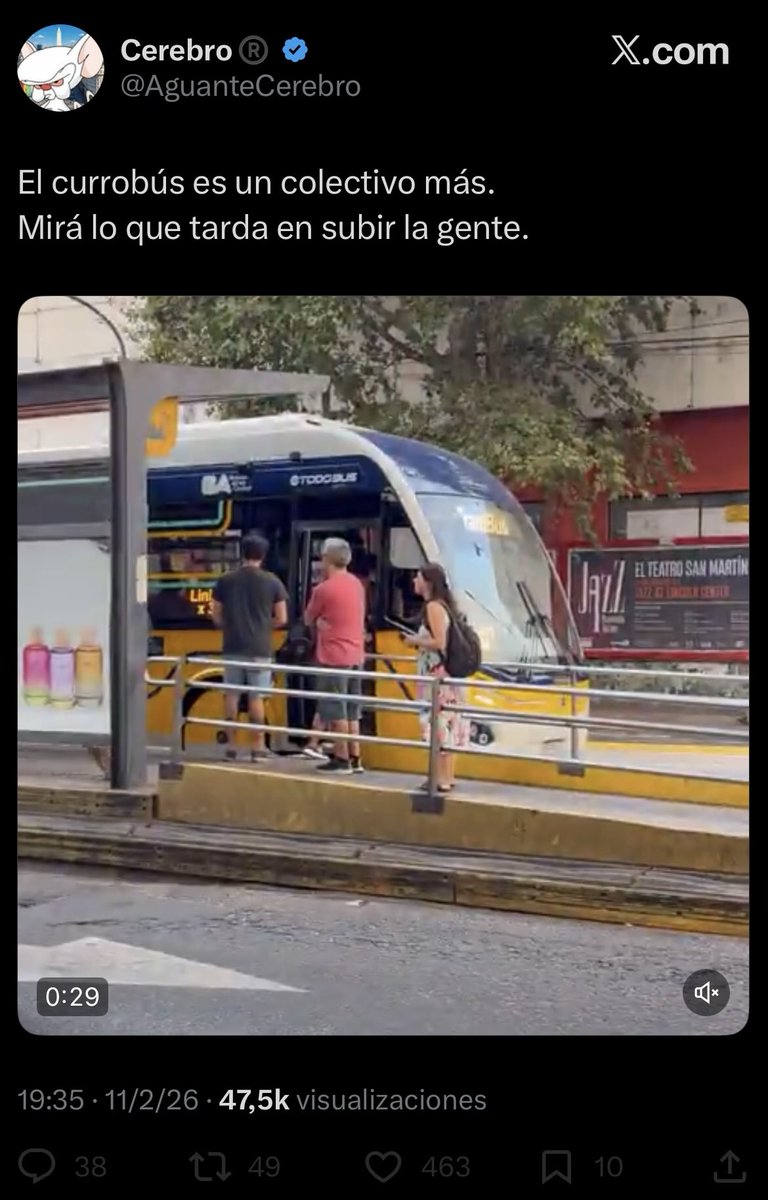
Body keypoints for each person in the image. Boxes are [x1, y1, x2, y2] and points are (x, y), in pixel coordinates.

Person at [212, 533, 288, 762]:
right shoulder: (272, 581)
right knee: (256, 697)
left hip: (232, 646)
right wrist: (264, 626)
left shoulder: (225, 580)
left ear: (241, 553)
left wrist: (230, 627)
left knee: (232, 696)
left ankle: (231, 747)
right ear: (263, 555)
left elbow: (215, 615)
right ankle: (258, 747)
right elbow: (282, 618)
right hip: (260, 648)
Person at [404, 563, 470, 793]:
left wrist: (414, 641)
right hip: (446, 677)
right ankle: (446, 777)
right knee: (447, 726)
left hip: (435, 678)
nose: (414, 581)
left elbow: (439, 642)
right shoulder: (445, 606)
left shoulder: (433, 607)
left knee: (437, 726)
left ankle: (439, 779)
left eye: (418, 577)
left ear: (428, 582)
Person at [304, 538, 366, 773]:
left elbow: (309, 618)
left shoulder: (323, 589)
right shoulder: (357, 584)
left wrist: (320, 622)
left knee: (335, 708)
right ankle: (356, 758)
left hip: (333, 656)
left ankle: (341, 758)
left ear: (327, 558)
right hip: (356, 654)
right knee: (352, 710)